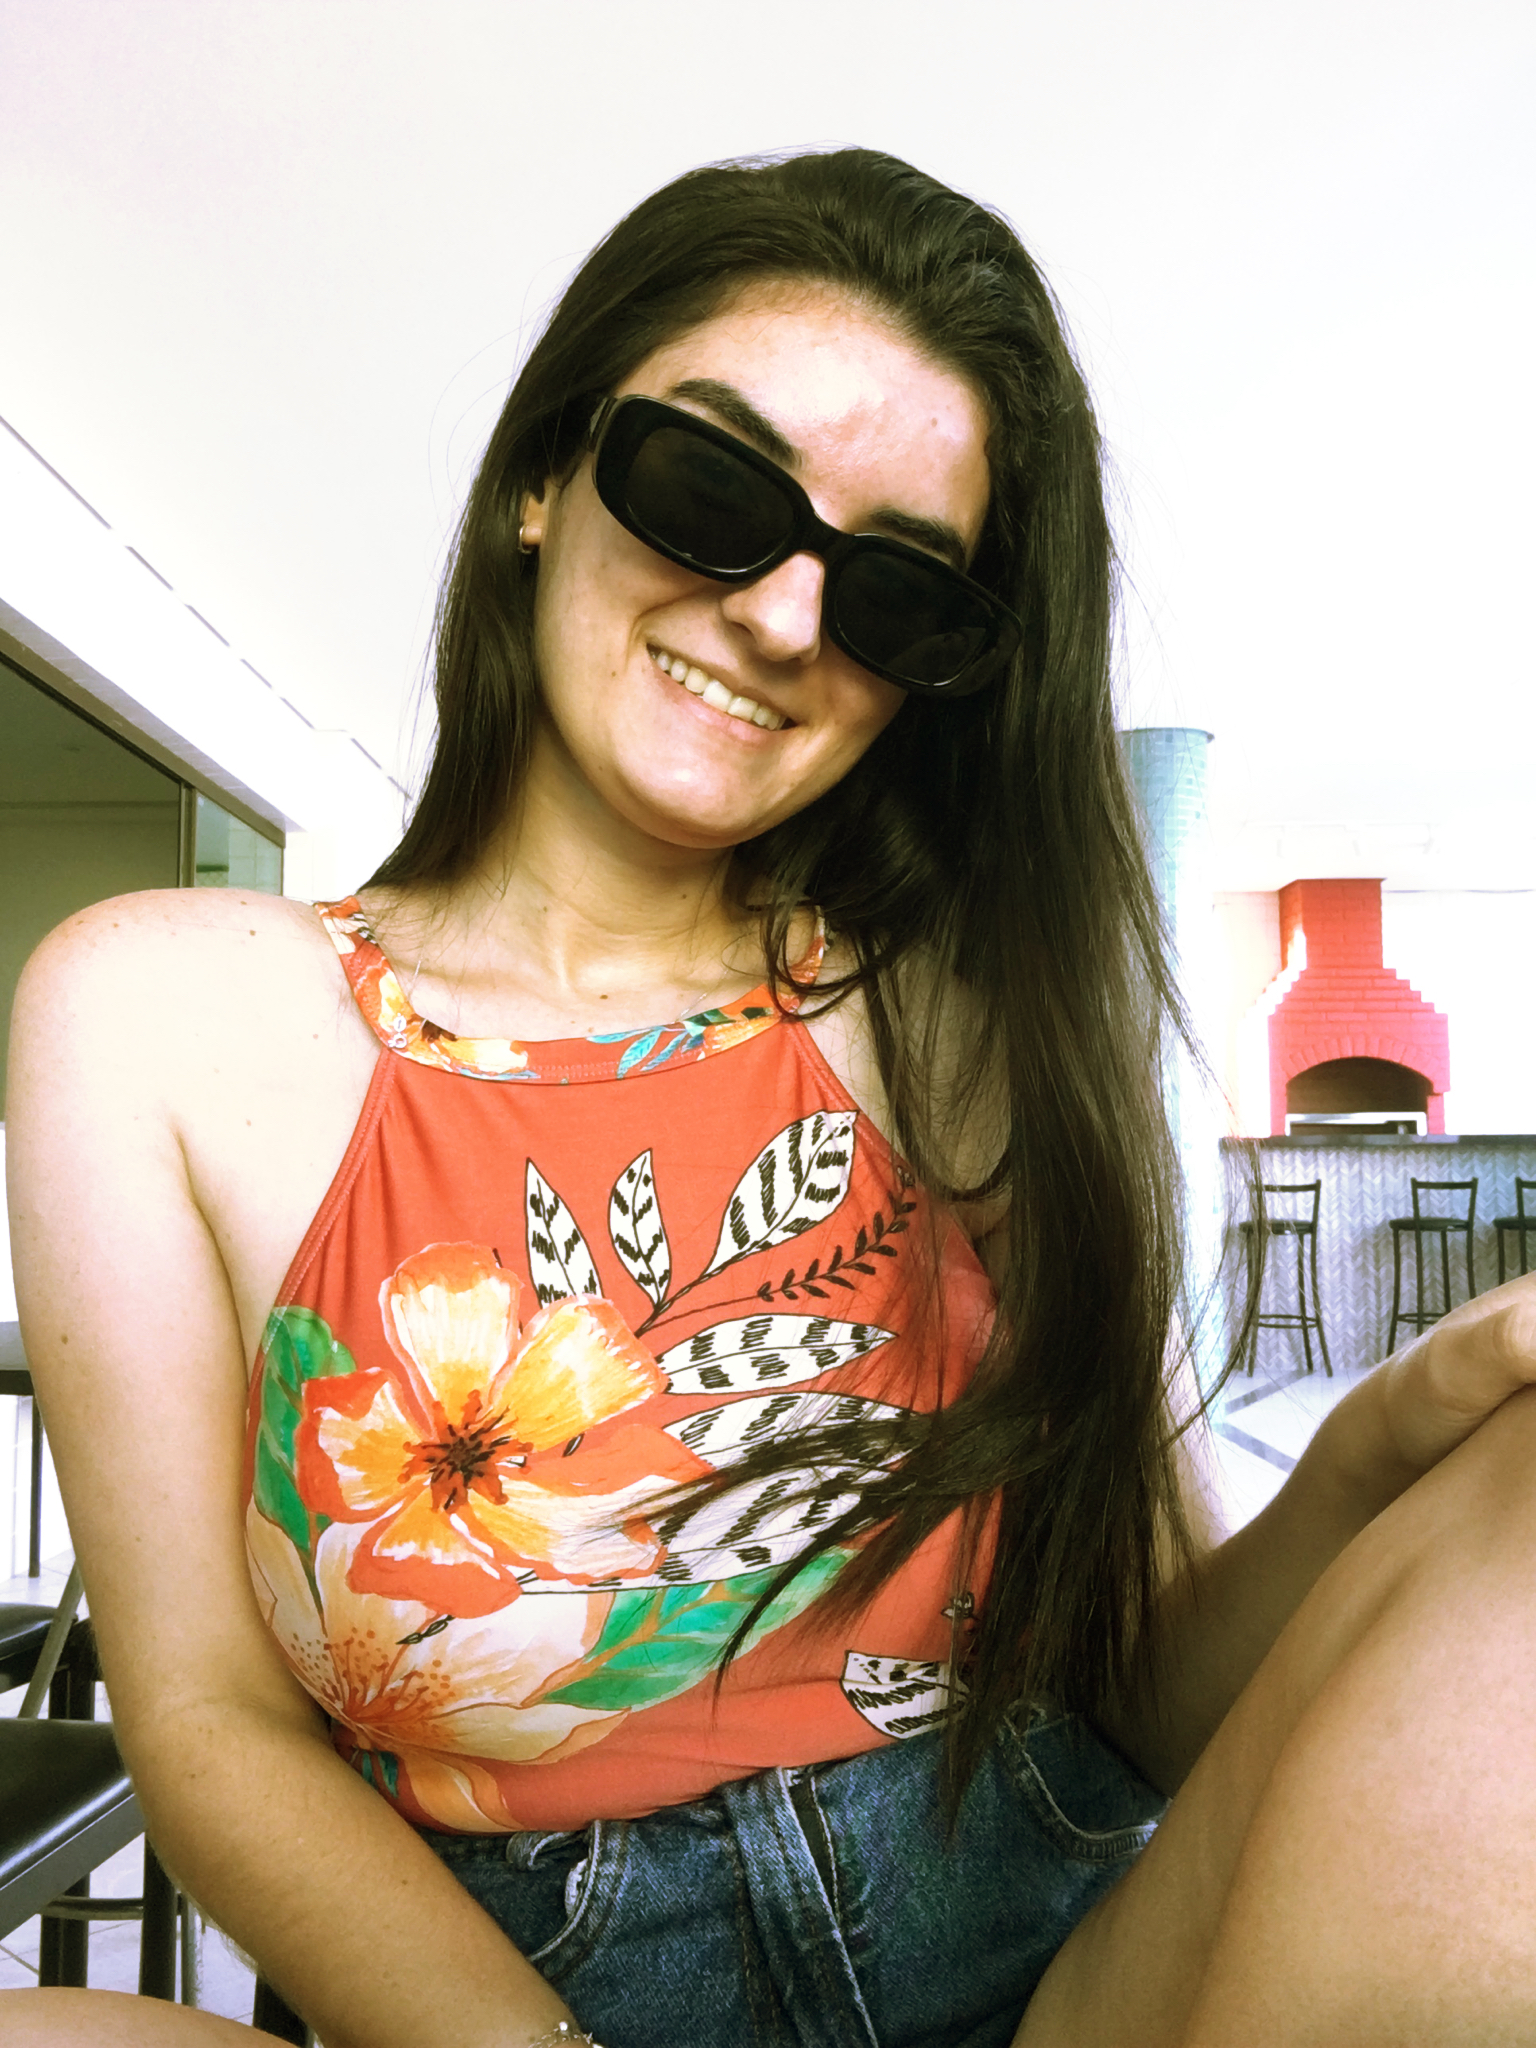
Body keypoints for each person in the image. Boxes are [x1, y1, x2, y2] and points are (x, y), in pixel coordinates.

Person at [5, 147, 1536, 2048]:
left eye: (896, 593)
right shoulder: (158, 1012)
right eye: (717, 492)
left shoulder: (961, 1007)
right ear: (543, 477)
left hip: (1058, 1979)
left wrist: (1402, 1434)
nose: (791, 620)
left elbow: (1148, 1691)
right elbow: (213, 1725)